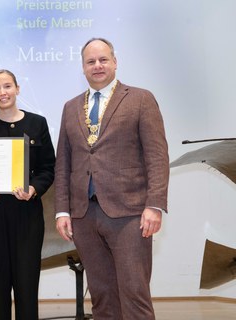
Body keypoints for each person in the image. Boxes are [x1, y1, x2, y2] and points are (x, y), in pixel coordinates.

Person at [54, 38, 169, 320]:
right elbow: (63, 163)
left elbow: (157, 156)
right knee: (102, 296)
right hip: (84, 215)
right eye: (90, 61)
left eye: (103, 59)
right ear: (82, 67)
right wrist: (62, 210)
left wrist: (154, 205)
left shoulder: (141, 99)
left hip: (129, 214)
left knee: (134, 294)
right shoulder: (70, 107)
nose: (97, 66)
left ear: (115, 62)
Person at [0, 69, 55, 320]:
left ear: (17, 88)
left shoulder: (37, 123)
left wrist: (34, 188)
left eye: (7, 86)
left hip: (27, 216)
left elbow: (49, 168)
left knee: (27, 287)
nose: (2, 92)